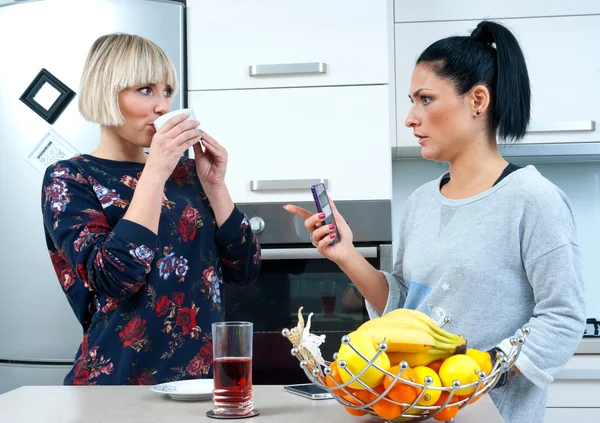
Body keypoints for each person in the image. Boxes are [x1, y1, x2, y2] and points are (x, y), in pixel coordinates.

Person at [284, 20, 585, 423]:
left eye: (425, 99)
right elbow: (404, 306)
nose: (410, 117)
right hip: (410, 409)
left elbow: (563, 317)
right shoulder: (421, 202)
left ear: (477, 100)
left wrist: (479, 375)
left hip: (489, 415)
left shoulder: (534, 199)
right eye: (412, 101)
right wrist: (345, 255)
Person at [41, 33, 260, 385]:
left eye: (167, 92)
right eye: (145, 90)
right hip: (116, 388)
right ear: (106, 92)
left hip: (202, 386)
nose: (162, 106)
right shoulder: (69, 178)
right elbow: (116, 279)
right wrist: (155, 170)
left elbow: (245, 270)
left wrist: (216, 186)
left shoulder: (188, 173)